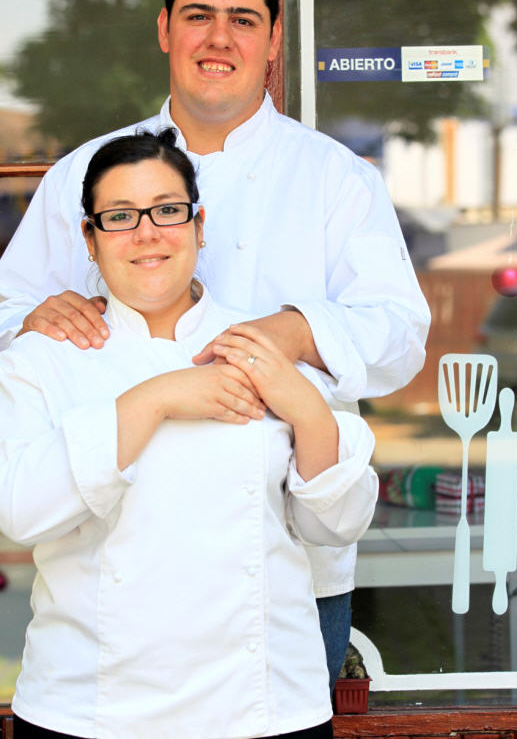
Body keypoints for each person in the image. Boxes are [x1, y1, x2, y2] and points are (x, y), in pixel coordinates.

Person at [0, 0, 430, 688]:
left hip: (288, 560)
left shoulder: (335, 177)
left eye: (243, 19)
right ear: (166, 29)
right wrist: (37, 315)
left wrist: (292, 331)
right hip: (111, 558)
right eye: (199, 15)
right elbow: (9, 314)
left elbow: (400, 337)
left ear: (271, 42)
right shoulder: (84, 175)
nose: (219, 39)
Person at [0, 130, 378, 739]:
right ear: (89, 241)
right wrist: (158, 399)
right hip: (91, 711)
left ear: (199, 226)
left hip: (264, 707)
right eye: (119, 217)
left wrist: (306, 408)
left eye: (167, 211)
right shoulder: (44, 357)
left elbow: (335, 526)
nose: (147, 233)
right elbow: (22, 512)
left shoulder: (263, 346)